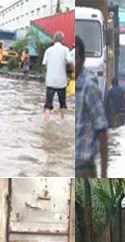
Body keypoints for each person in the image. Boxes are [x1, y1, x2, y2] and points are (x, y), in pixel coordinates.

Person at [75, 35, 108, 178]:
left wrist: (104, 174)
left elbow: (102, 131)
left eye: (75, 58)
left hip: (84, 167)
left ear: (82, 60)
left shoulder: (89, 88)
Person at [42, 31, 74, 120]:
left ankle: (46, 122)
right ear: (62, 40)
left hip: (50, 81)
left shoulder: (48, 50)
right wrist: (73, 70)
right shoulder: (65, 49)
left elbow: (45, 64)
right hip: (61, 82)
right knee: (62, 104)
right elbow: (70, 61)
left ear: (54, 40)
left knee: (48, 105)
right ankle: (62, 120)